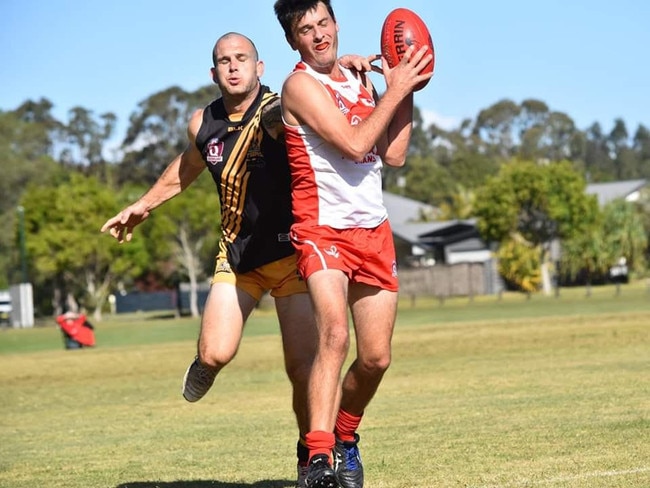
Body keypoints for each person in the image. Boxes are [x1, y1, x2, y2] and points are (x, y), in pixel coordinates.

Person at [101, 32, 374, 488]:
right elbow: (188, 166)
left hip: (293, 254)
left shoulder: (274, 109)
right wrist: (143, 205)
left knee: (303, 368)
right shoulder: (201, 123)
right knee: (215, 352)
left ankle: (313, 459)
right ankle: (205, 364)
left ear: (259, 67)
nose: (233, 67)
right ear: (213, 73)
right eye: (224, 61)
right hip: (238, 255)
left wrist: (339, 67)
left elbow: (307, 98)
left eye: (241, 59)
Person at [273, 2, 433, 487]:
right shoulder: (300, 86)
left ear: (336, 24)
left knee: (376, 358)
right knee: (334, 336)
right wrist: (398, 86)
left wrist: (398, 86)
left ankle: (345, 437)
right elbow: (355, 144)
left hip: (374, 229)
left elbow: (395, 154)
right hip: (321, 228)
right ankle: (317, 461)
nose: (319, 35)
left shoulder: (359, 79)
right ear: (293, 41)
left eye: (323, 23)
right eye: (306, 29)